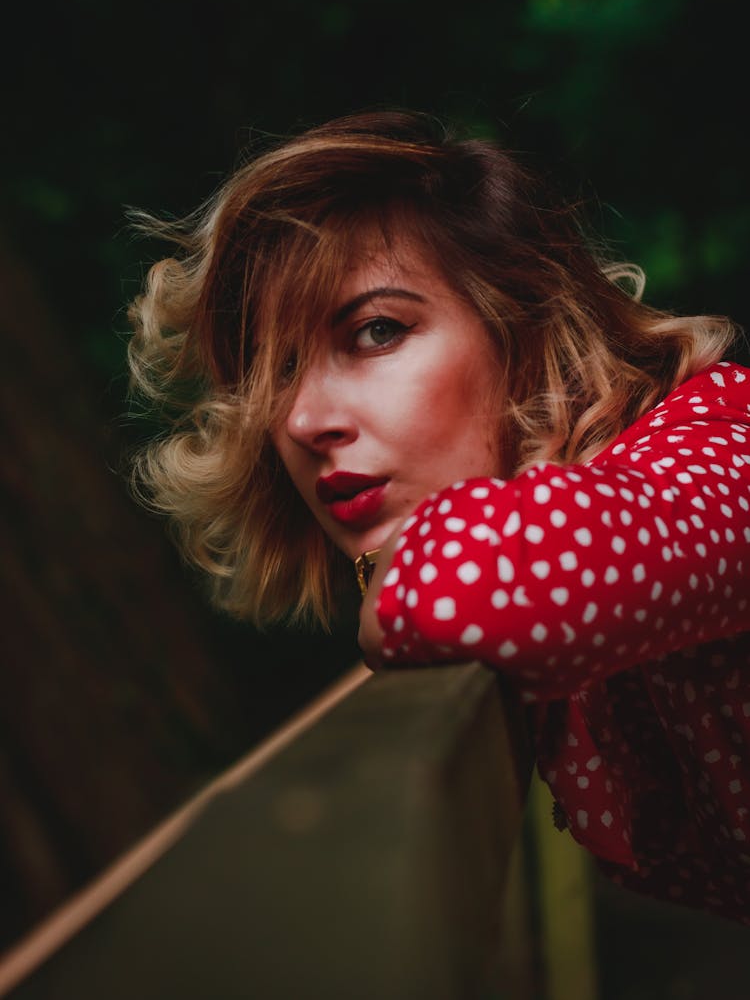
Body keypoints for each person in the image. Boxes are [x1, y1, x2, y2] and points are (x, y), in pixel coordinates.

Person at [128, 110, 750, 924]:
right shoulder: (577, 549)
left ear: (524, 324)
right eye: (274, 370)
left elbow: (468, 586)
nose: (306, 418)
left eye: (378, 331)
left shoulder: (724, 442)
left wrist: (405, 579)